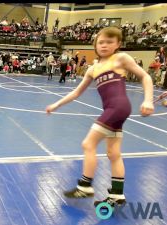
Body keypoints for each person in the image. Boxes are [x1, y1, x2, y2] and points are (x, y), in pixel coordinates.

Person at [45, 27, 154, 207]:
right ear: (95, 44)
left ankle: (85, 186)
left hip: (118, 108)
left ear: (118, 45)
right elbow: (76, 92)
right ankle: (117, 195)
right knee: (113, 153)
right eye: (101, 42)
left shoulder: (120, 58)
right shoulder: (93, 69)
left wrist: (148, 100)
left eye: (110, 42)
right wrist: (57, 104)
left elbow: (145, 77)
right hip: (115, 110)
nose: (104, 45)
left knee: (88, 144)